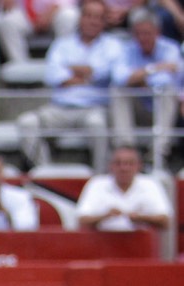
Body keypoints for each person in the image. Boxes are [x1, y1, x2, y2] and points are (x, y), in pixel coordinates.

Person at [16, 0, 124, 174]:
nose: (93, 21)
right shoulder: (62, 44)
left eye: (98, 17)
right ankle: (45, 174)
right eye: (88, 16)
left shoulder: (113, 45)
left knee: (97, 124)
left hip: (94, 108)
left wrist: (72, 70)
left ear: (104, 21)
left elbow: (105, 74)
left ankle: (99, 175)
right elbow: (53, 75)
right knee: (27, 122)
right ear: (80, 18)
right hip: (60, 108)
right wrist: (88, 76)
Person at [110, 8, 183, 164]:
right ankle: (126, 148)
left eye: (147, 33)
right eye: (139, 33)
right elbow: (119, 77)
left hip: (164, 109)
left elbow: (165, 80)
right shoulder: (127, 50)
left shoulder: (171, 48)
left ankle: (158, 153)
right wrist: (153, 69)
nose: (143, 38)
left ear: (157, 32)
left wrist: (138, 78)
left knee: (166, 91)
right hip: (138, 108)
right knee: (118, 90)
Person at [75, 143, 172, 229]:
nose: (124, 168)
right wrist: (105, 216)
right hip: (103, 241)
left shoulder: (150, 184)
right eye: (118, 163)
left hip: (140, 240)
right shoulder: (97, 183)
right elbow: (81, 220)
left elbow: (166, 220)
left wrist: (140, 217)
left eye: (130, 163)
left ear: (139, 166)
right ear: (110, 165)